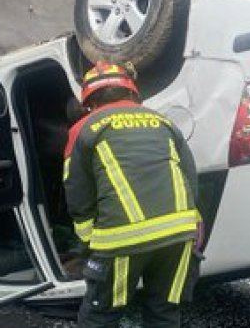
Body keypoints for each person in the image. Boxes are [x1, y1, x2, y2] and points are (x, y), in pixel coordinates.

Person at [64, 62, 201, 328]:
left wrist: (87, 242)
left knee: (101, 315)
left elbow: (77, 190)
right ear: (132, 92)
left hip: (122, 239)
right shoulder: (163, 122)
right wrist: (194, 222)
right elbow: (189, 175)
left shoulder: (84, 129)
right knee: (164, 311)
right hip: (180, 236)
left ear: (89, 100)